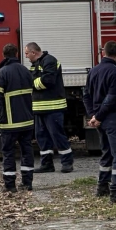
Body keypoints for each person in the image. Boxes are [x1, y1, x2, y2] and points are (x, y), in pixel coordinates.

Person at [83, 41, 116, 203]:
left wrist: (93, 115)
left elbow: (86, 95)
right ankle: (115, 193)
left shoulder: (93, 71)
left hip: (99, 118)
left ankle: (102, 187)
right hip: (110, 117)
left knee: (107, 152)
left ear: (103, 52)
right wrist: (99, 116)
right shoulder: (115, 72)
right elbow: (111, 98)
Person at [0, 44, 35, 193]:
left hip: (9, 123)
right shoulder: (26, 71)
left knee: (8, 153)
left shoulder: (1, 73)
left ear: (4, 55)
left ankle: (10, 186)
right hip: (27, 122)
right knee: (27, 152)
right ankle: (27, 183)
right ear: (17, 54)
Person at [24, 42, 74, 174]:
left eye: (27, 53)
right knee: (42, 137)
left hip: (53, 107)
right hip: (39, 108)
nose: (26, 56)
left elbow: (48, 81)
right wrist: (34, 81)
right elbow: (33, 80)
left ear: (33, 52)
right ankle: (46, 164)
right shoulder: (35, 64)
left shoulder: (50, 61)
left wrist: (32, 83)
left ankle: (67, 163)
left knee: (57, 135)